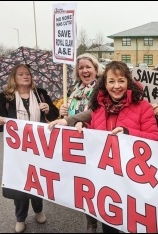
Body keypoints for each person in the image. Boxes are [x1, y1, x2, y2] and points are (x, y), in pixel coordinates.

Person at [48, 61, 158, 233]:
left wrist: (128, 133)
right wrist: (84, 128)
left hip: (133, 181)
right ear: (105, 84)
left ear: (128, 82)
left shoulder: (143, 107)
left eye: (121, 81)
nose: (116, 86)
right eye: (111, 81)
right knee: (110, 226)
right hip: (107, 182)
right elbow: (94, 134)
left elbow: (154, 139)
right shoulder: (98, 108)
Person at [0, 64, 59, 233]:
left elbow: (54, 115)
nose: (25, 76)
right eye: (21, 74)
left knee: (38, 180)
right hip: (18, 150)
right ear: (14, 77)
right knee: (20, 183)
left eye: (27, 74)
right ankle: (20, 217)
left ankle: (38, 209)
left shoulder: (40, 93)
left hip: (39, 147)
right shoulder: (5, 97)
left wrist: (49, 109)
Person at [58, 53, 103, 233]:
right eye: (81, 68)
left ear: (95, 69)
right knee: (85, 184)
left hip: (96, 142)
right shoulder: (74, 90)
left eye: (88, 67)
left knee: (101, 183)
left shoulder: (102, 88)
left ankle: (109, 219)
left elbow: (94, 112)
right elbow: (64, 117)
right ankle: (91, 222)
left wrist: (72, 119)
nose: (84, 70)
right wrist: (62, 111)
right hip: (77, 143)